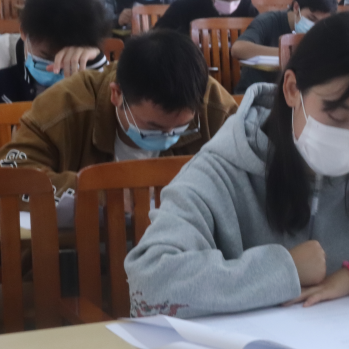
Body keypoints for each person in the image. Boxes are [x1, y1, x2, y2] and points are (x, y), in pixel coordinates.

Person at [124, 12, 349, 318]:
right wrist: (284, 268)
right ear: (291, 89)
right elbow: (149, 282)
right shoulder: (221, 170)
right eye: (336, 116)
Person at [0, 30, 238, 224]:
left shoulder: (212, 104)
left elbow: (249, 172)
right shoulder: (66, 104)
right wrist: (98, 190)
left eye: (180, 128)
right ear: (116, 94)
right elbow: (10, 176)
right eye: (152, 127)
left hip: (184, 244)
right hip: (81, 245)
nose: (167, 137)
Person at [0, 0, 109, 103]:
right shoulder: (3, 58)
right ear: (24, 32)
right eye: (47, 57)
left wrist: (97, 63)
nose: (56, 68)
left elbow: (115, 105)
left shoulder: (89, 59)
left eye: (68, 57)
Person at [232, 0, 338, 93]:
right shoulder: (269, 21)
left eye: (321, 23)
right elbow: (238, 49)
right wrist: (288, 53)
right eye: (311, 18)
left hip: (294, 94)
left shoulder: (325, 29)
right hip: (257, 92)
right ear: (296, 7)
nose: (315, 26)